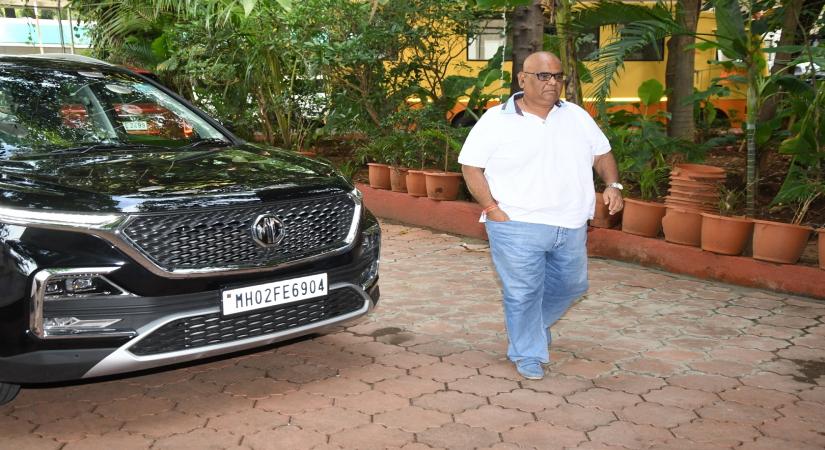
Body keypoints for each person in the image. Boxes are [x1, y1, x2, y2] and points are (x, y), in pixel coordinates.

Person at [458, 51, 623, 380]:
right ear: (523, 79)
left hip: (572, 223)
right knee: (522, 292)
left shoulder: (575, 115)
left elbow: (602, 153)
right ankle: (527, 352)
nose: (552, 83)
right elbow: (470, 167)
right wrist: (492, 209)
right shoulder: (495, 119)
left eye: (558, 77)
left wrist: (613, 184)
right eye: (543, 76)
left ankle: (530, 327)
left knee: (573, 286)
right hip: (515, 223)